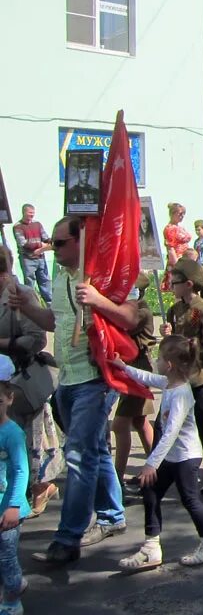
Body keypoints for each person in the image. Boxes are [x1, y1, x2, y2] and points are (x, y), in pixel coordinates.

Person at [12, 217, 128, 565]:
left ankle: (68, 537)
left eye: (59, 242)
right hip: (68, 379)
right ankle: (112, 514)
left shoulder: (100, 276)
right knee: (94, 450)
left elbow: (131, 317)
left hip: (95, 378)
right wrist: (28, 306)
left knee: (77, 455)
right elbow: (57, 321)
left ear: (81, 241)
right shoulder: (60, 276)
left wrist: (98, 300)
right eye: (52, 241)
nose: (52, 247)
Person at [113, 336, 203, 570]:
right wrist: (123, 367)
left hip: (185, 457)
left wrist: (151, 463)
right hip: (171, 457)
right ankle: (151, 547)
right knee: (150, 490)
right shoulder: (169, 383)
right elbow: (147, 378)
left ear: (170, 365)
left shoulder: (181, 393)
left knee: (190, 499)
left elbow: (171, 432)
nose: (156, 361)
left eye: (160, 358)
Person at [162, 258, 203, 496]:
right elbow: (170, 342)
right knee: (172, 424)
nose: (172, 286)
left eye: (176, 282)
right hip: (178, 377)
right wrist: (167, 335)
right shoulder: (175, 309)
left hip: (199, 377)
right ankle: (171, 471)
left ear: (189, 284)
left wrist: (191, 347)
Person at [0, 244, 54, 513]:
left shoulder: (20, 295)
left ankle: (34, 492)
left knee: (24, 447)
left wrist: (3, 343)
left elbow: (36, 338)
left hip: (20, 382)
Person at [112, 275, 156, 490]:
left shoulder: (141, 312)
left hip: (138, 370)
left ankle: (117, 478)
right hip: (130, 369)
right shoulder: (135, 308)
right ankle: (156, 468)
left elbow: (122, 325)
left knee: (119, 425)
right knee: (139, 421)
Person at [0, 356, 30, 615]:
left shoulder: (12, 433)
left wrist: (14, 506)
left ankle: (12, 604)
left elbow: (21, 470)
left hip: (8, 508)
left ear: (9, 399)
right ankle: (16, 583)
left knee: (6, 557)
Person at [12, 205, 51, 304]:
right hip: (27, 259)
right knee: (29, 283)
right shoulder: (18, 226)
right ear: (24, 212)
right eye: (30, 213)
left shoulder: (37, 224)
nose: (32, 215)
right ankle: (32, 304)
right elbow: (23, 244)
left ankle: (50, 305)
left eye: (33, 213)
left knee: (45, 282)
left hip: (40, 258)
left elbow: (45, 237)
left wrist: (52, 241)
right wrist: (41, 244)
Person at [162, 202, 191, 276]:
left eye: (183, 214)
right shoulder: (170, 229)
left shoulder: (180, 227)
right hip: (177, 261)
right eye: (180, 214)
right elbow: (170, 249)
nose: (182, 216)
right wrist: (177, 267)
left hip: (185, 260)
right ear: (172, 214)